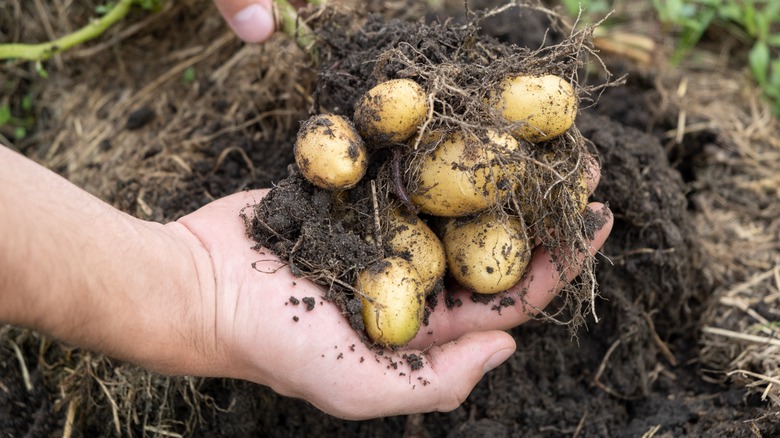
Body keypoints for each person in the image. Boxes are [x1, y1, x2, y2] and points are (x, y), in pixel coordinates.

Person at [0, 1, 614, 421]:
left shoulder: (440, 146)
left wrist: (199, 289)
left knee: (485, 247)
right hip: (382, 161)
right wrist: (201, 293)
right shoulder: (353, 161)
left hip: (411, 166)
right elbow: (351, 156)